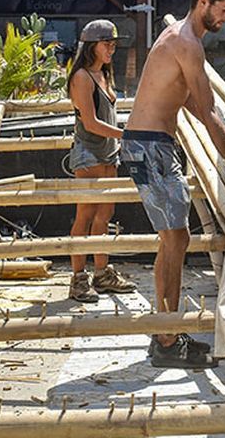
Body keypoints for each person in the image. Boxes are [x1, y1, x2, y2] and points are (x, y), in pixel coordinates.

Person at [122, 0, 225, 369]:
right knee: (176, 241)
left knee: (173, 240)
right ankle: (165, 340)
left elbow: (192, 101)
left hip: (153, 145)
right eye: (224, 10)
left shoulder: (179, 37)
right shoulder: (188, 44)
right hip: (150, 147)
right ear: (203, 3)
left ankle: (167, 331)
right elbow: (208, 113)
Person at [66, 19, 137, 303]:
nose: (112, 49)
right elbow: (92, 123)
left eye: (113, 44)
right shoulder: (82, 77)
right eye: (107, 44)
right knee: (85, 215)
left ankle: (102, 273)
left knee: (104, 214)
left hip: (108, 152)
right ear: (92, 46)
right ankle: (78, 279)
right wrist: (126, 134)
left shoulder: (104, 75)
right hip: (90, 151)